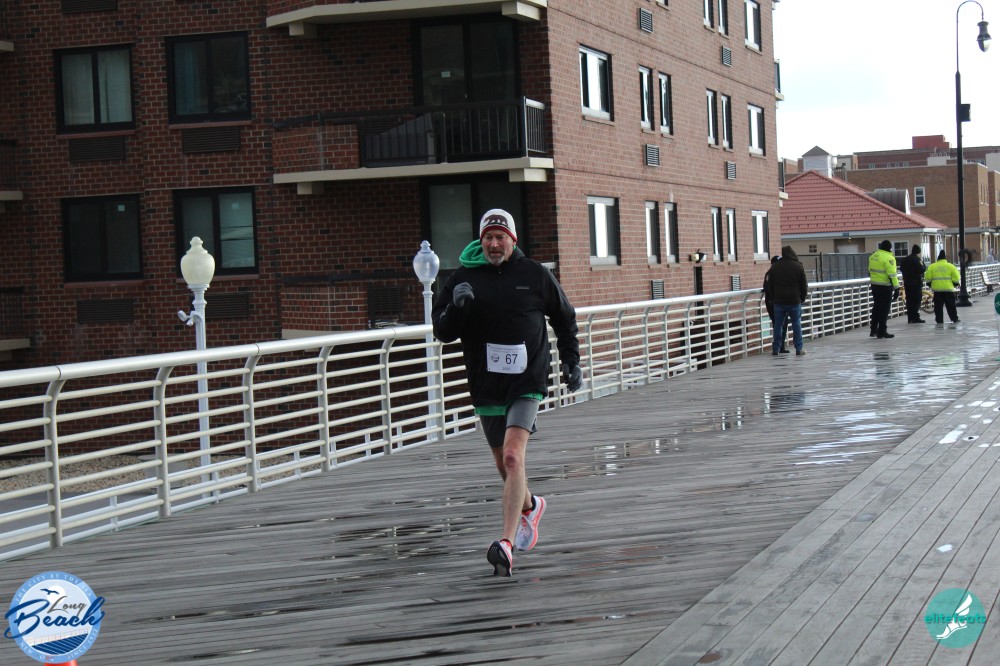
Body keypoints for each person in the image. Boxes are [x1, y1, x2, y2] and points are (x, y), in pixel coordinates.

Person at [432, 209, 581, 577]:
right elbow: (442, 331)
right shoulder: (463, 278)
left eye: (501, 237)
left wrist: (571, 361)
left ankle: (506, 544)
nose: (494, 244)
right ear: (480, 241)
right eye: (488, 237)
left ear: (513, 240)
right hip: (486, 383)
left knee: (514, 457)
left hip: (527, 380)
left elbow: (564, 317)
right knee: (504, 464)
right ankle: (530, 506)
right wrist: (457, 308)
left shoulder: (534, 274)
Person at [767, 246, 808, 356]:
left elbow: (770, 284)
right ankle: (798, 349)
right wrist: (802, 298)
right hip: (794, 300)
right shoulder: (798, 266)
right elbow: (804, 285)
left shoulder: (775, 266)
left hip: (779, 301)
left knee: (778, 325)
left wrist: (773, 297)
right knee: (796, 324)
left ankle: (776, 348)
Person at [868, 239, 900, 339]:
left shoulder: (873, 256)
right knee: (884, 309)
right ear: (890, 248)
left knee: (876, 307)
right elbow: (892, 274)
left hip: (874, 285)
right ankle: (882, 331)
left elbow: (869, 270)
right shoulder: (889, 258)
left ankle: (873, 329)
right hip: (885, 286)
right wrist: (897, 288)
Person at [924, 250, 961, 325]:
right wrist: (953, 285)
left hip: (937, 291)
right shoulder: (951, 266)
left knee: (938, 307)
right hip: (948, 290)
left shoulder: (932, 266)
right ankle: (954, 318)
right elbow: (956, 278)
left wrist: (931, 285)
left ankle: (939, 320)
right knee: (951, 306)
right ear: (945, 258)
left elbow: (927, 278)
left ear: (938, 258)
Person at [762, 255, 789, 353]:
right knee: (778, 324)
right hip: (773, 303)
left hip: (779, 302)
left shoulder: (778, 273)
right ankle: (778, 347)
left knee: (782, 324)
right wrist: (773, 299)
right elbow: (767, 287)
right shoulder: (770, 274)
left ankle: (781, 347)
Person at [899, 244, 926, 324]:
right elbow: (922, 269)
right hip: (916, 283)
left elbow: (901, 269)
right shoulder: (917, 259)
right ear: (918, 251)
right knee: (917, 300)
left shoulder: (904, 259)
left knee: (909, 300)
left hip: (907, 282)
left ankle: (910, 317)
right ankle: (915, 317)